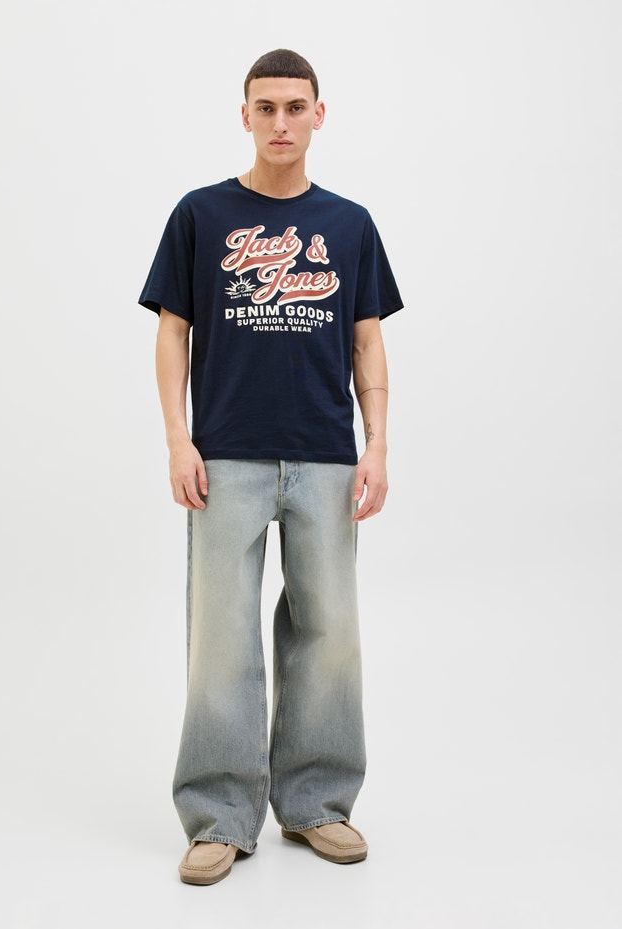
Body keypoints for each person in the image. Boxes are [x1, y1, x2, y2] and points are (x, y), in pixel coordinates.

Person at [138, 48, 404, 885]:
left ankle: (317, 802)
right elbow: (172, 330)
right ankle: (219, 816)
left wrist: (377, 442)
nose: (281, 122)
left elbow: (367, 340)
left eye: (295, 107)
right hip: (226, 455)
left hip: (325, 456)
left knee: (330, 636)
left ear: (319, 115)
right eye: (266, 107)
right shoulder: (201, 214)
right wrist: (178, 438)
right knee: (220, 639)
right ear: (245, 115)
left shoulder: (350, 224)